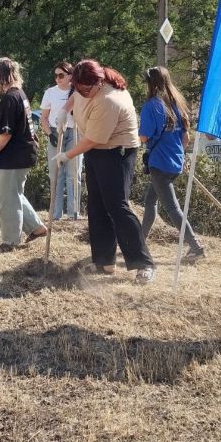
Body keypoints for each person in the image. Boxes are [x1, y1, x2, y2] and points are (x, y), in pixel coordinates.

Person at [55, 59, 156, 284]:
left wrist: (67, 155)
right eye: (77, 88)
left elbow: (92, 139)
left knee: (116, 206)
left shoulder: (109, 100)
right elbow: (76, 96)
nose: (80, 92)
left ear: (97, 83)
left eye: (84, 89)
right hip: (97, 150)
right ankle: (104, 262)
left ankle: (144, 263)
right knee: (96, 205)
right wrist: (64, 110)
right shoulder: (85, 87)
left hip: (117, 152)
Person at [0, 57, 46, 251]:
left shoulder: (9, 98)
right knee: (14, 194)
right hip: (23, 153)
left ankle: (10, 241)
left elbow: (6, 133)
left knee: (8, 198)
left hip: (13, 155)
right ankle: (37, 228)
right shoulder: (19, 94)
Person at [138, 66, 205, 262]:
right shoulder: (178, 104)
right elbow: (185, 138)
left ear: (150, 83)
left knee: (173, 208)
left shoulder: (151, 106)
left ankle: (195, 246)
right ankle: (140, 241)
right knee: (150, 201)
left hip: (159, 163)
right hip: (175, 161)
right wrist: (181, 157)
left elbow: (143, 137)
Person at [40, 61, 81, 220]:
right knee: (56, 174)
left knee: (73, 173)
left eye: (61, 75)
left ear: (70, 76)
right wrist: (50, 134)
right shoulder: (50, 93)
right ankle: (55, 214)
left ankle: (73, 214)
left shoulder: (77, 92)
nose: (57, 78)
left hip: (74, 133)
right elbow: (43, 118)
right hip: (56, 133)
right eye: (56, 75)